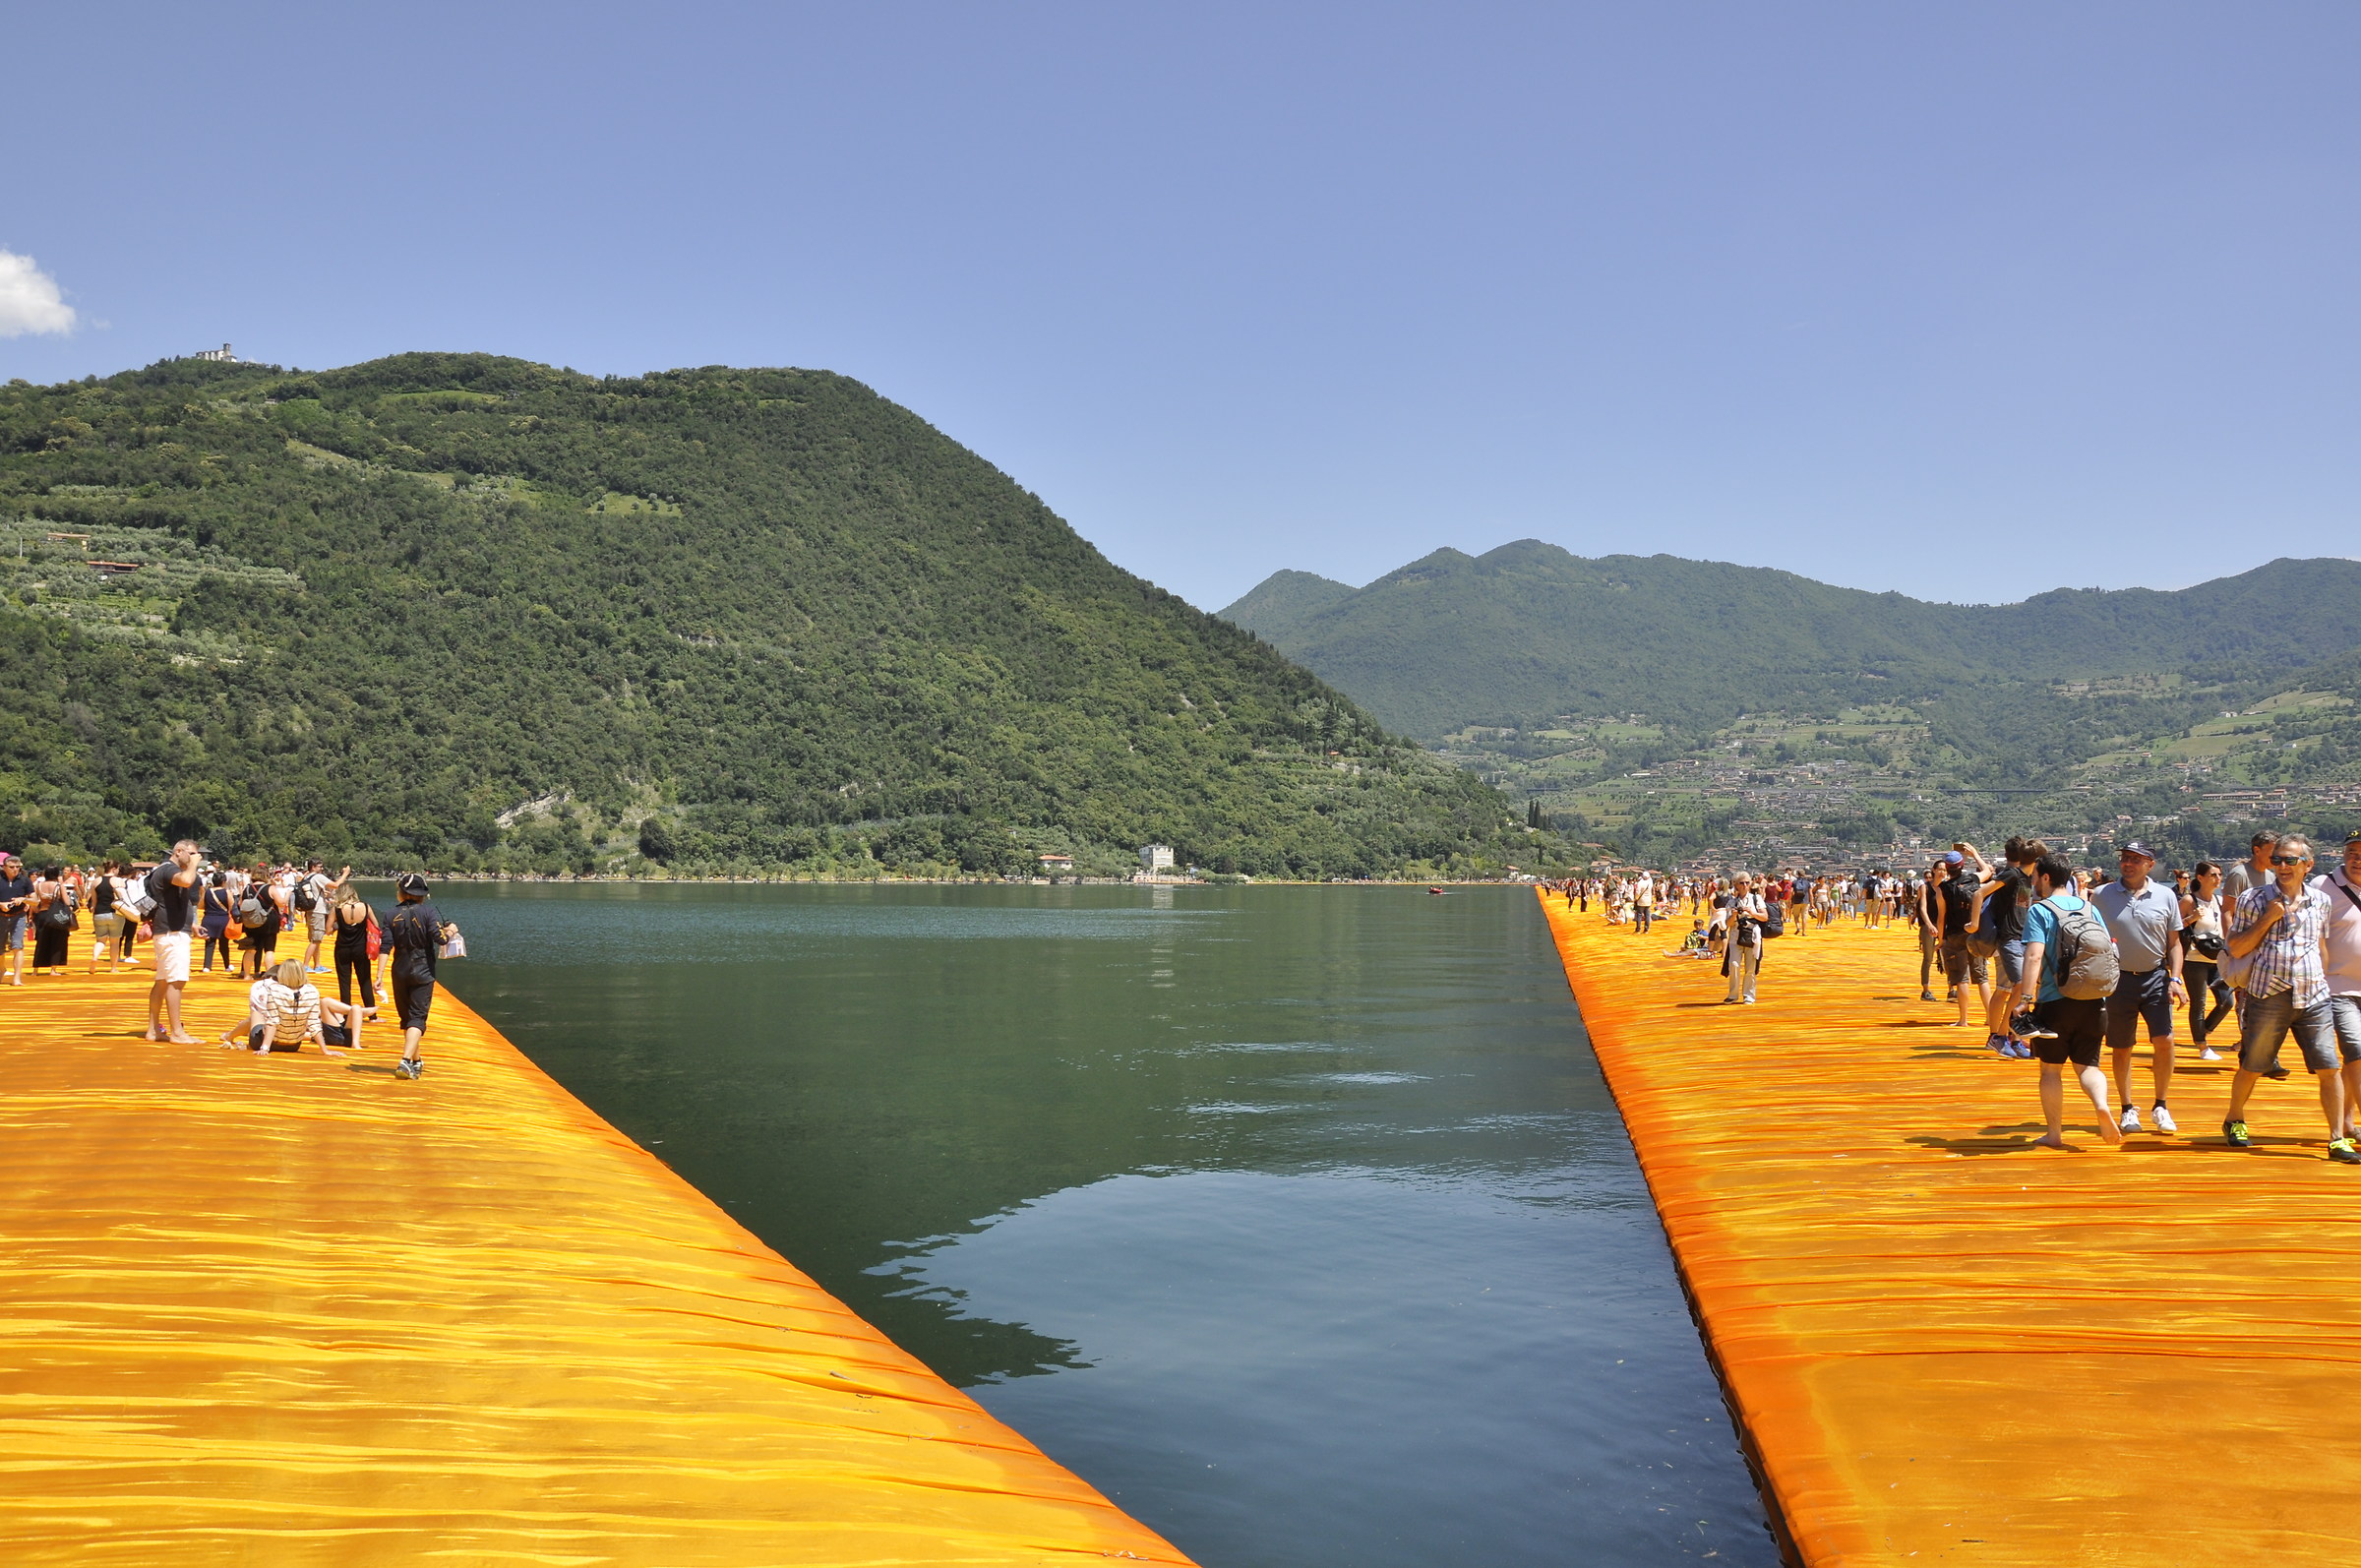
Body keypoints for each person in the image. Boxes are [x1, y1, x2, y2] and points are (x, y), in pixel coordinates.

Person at [2218, 836, 2356, 1163]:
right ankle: (2234, 1119)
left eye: (2290, 861)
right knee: (2253, 1064)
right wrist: (2268, 917)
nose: (2282, 867)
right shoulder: (2254, 898)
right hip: (2268, 993)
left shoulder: (2321, 901)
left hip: (2314, 996)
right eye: (2277, 860)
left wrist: (2322, 978)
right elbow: (2236, 947)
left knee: (2329, 1067)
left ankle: (2336, 1138)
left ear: (2308, 865)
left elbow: (2320, 945)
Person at [2006, 851, 2125, 1150]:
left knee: (2050, 1068)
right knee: (2089, 1066)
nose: (2032, 882)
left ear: (2045, 878)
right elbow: (2108, 950)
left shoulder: (2040, 910)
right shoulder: (2089, 908)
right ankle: (2101, 1104)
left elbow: (2033, 955)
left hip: (2055, 999)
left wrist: (2025, 998)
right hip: (2094, 999)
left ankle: (2055, 1134)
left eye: (2035, 877)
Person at [2090, 842, 2186, 1134]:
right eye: (2125, 858)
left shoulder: (2166, 896)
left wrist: (2176, 978)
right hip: (2117, 980)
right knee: (2122, 1047)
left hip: (2156, 977)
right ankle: (2127, 1109)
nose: (2127, 864)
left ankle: (2161, 1105)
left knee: (2165, 1041)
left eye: (2135, 859)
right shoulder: (2101, 895)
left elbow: (2175, 943)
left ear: (2150, 864)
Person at [385, 873, 455, 1080]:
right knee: (417, 1017)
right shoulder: (428, 912)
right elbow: (440, 939)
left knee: (407, 1018)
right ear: (421, 895)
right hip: (423, 971)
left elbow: (385, 947)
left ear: (401, 893)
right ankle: (406, 1061)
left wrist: (379, 975)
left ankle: (416, 1061)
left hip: (399, 971)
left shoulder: (390, 915)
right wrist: (451, 930)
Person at [2316, 828, 2361, 1149]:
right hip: (2338, 987)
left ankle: (2347, 1121)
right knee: (2358, 1052)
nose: (2357, 859)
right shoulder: (2322, 887)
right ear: (2342, 854)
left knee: (2353, 1060)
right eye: (2352, 852)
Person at [144, 841, 205, 1045]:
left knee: (162, 981)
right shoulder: (169, 869)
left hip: (170, 930)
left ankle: (153, 1030)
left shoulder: (167, 870)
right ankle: (177, 1032)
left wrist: (192, 924)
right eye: (192, 853)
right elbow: (187, 881)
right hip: (172, 932)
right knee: (176, 982)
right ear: (178, 851)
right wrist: (193, 864)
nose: (196, 857)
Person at [2179, 861, 2234, 1060]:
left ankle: (2204, 1030)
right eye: (2213, 875)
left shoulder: (2219, 901)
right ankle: (2202, 1046)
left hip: (2216, 957)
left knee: (2227, 1001)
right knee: (2199, 1003)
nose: (2218, 878)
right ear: (2200, 878)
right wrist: (2191, 918)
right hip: (2194, 958)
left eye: (2219, 875)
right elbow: (2173, 926)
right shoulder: (2189, 900)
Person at [1932, 849, 1992, 1029]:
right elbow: (1988, 871)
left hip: (1954, 935)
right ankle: (1990, 1016)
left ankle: (1963, 1019)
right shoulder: (1972, 879)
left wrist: (1941, 940)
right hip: (1975, 933)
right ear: (1962, 866)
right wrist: (1974, 853)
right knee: (1981, 977)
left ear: (1947, 868)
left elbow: (1941, 917)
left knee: (1961, 978)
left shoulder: (1943, 889)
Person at [332, 891, 382, 1020]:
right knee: (365, 980)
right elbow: (376, 925)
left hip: (342, 948)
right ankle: (372, 1016)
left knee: (344, 983)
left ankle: (346, 1016)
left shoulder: (337, 909)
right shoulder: (365, 907)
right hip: (361, 948)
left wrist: (340, 924)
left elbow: (328, 930)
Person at [1722, 873, 1767, 1003]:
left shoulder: (1756, 899)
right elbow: (1727, 924)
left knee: (1750, 968)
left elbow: (1765, 917)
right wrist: (1734, 915)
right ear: (1735, 884)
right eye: (1742, 883)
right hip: (1735, 936)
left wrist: (1752, 913)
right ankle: (1733, 994)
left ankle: (1749, 996)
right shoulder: (1731, 902)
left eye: (1747, 882)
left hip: (1752, 936)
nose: (1745, 885)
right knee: (1733, 965)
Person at [295, 860, 347, 975]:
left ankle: (317, 965)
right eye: (319, 866)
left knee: (316, 940)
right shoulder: (317, 877)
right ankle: (305, 965)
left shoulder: (307, 876)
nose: (321, 869)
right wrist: (345, 874)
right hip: (317, 911)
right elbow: (336, 885)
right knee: (316, 939)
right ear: (313, 867)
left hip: (311, 910)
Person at [29, 865, 76, 976]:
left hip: (42, 915)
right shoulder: (59, 886)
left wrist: (32, 914)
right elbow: (67, 902)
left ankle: (35, 970)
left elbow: (34, 903)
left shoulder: (38, 886)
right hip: (57, 916)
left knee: (41, 942)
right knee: (57, 942)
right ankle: (53, 969)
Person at [0, 853, 31, 986]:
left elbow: (36, 900)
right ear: (4, 867)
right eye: (11, 867)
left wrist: (23, 899)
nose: (15, 869)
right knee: (0, 949)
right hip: (1, 916)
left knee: (17, 946)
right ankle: (2, 970)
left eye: (17, 867)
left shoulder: (25, 880)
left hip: (18, 916)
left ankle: (17, 978)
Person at [200, 871, 235, 973]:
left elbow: (200, 905)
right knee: (224, 944)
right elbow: (232, 906)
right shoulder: (227, 892)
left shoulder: (208, 892)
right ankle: (227, 965)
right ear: (224, 881)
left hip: (208, 919)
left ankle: (207, 966)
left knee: (209, 944)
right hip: (223, 920)